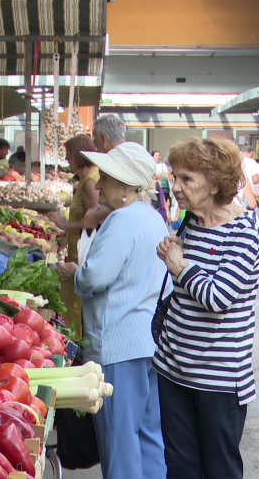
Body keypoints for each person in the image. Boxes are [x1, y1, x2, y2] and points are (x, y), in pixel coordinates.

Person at [55, 141, 168, 479]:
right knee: (149, 436)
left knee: (118, 440)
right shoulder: (154, 218)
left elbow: (96, 278)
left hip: (117, 344)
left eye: (106, 178)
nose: (99, 185)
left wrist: (75, 273)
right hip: (150, 342)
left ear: (125, 186)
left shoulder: (121, 221)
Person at [154, 138, 259, 479]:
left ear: (215, 183)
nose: (175, 187)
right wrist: (174, 251)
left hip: (217, 380)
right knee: (181, 469)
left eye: (187, 179)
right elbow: (185, 288)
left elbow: (218, 298)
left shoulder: (245, 231)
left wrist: (179, 265)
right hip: (173, 370)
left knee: (219, 471)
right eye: (175, 177)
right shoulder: (191, 222)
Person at [48, 135, 100, 263]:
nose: (66, 159)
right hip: (77, 254)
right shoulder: (84, 180)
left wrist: (65, 225)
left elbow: (93, 223)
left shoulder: (90, 182)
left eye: (69, 154)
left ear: (78, 155)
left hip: (84, 258)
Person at [81, 114, 127, 228]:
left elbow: (127, 203)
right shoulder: (123, 158)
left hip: (117, 228)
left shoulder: (122, 162)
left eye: (94, 137)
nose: (93, 142)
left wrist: (95, 215)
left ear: (103, 138)